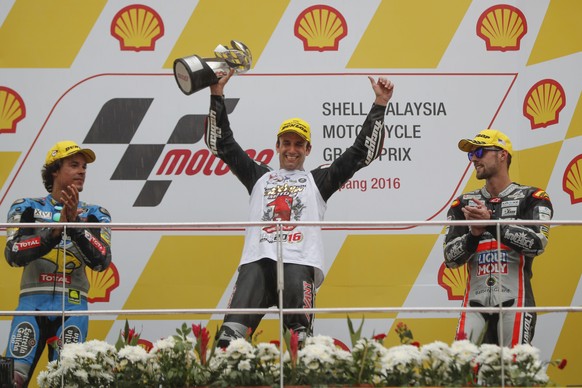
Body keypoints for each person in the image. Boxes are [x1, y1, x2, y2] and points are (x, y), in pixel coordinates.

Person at [204, 70, 394, 347]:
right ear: (277, 146)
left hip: (298, 264)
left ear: (308, 149)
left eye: (299, 144)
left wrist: (380, 104)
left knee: (300, 344)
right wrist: (216, 94)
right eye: (287, 143)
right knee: (228, 341)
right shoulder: (259, 176)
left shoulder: (317, 180)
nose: (292, 149)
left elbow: (361, 153)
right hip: (257, 263)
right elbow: (220, 143)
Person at [3, 140, 112, 387]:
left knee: (68, 382)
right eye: (74, 165)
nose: (82, 171)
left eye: (84, 166)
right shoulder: (26, 206)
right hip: (31, 305)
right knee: (11, 380)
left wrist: (75, 226)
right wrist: (54, 232)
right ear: (54, 170)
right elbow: (13, 253)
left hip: (73, 307)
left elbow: (101, 261)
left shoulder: (96, 213)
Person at [443, 129, 553, 347]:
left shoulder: (532, 198)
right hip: (474, 304)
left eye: (481, 151)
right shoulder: (462, 203)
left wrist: (492, 223)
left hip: (516, 302)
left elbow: (537, 244)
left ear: (503, 155)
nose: (474, 158)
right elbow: (450, 258)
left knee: (513, 375)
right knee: (464, 373)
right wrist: (474, 235)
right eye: (471, 154)